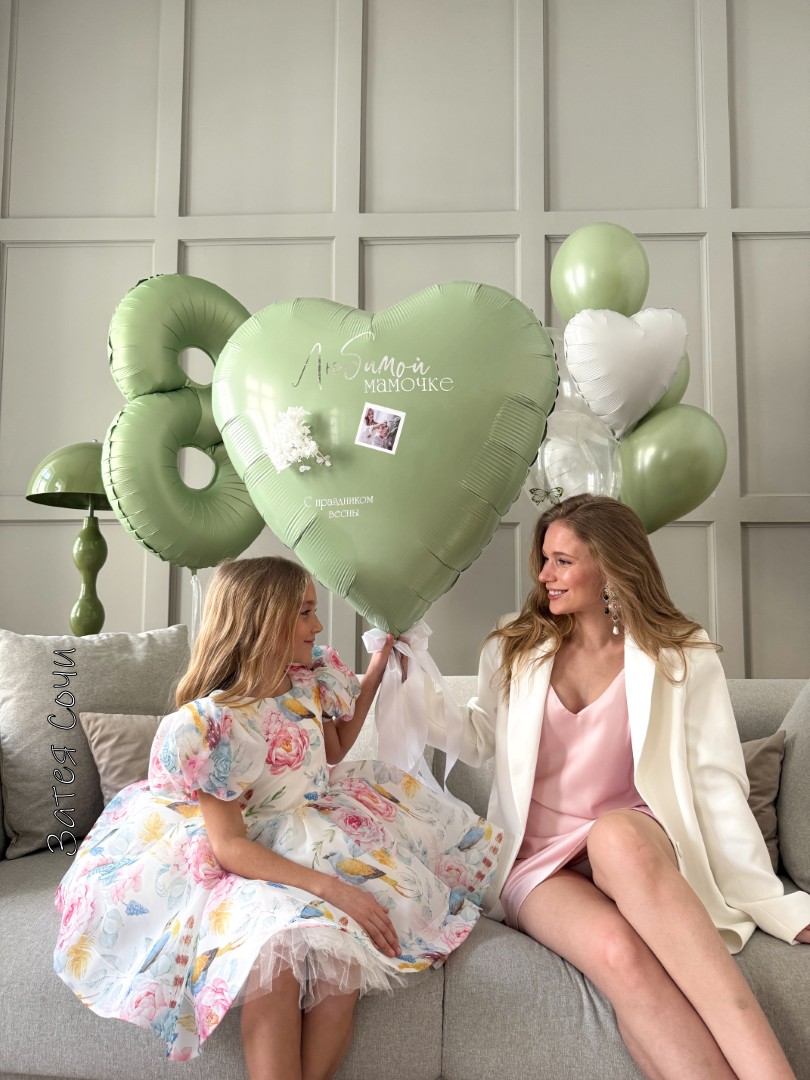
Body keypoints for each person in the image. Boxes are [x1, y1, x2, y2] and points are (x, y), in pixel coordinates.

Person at [53, 556, 502, 1080]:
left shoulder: (307, 680)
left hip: (313, 828)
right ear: (264, 620)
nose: (319, 625)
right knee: (275, 963)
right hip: (247, 857)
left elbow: (334, 749)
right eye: (305, 612)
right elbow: (229, 846)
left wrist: (378, 668)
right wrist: (334, 889)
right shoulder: (212, 723)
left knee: (340, 974)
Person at [423, 494, 810, 1080]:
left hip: (633, 841)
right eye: (544, 559)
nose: (544, 575)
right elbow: (478, 736)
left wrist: (772, 901)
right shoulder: (513, 645)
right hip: (538, 861)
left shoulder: (679, 653)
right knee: (619, 955)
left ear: (610, 565)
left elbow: (717, 784)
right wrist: (403, 682)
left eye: (562, 561)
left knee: (615, 835)